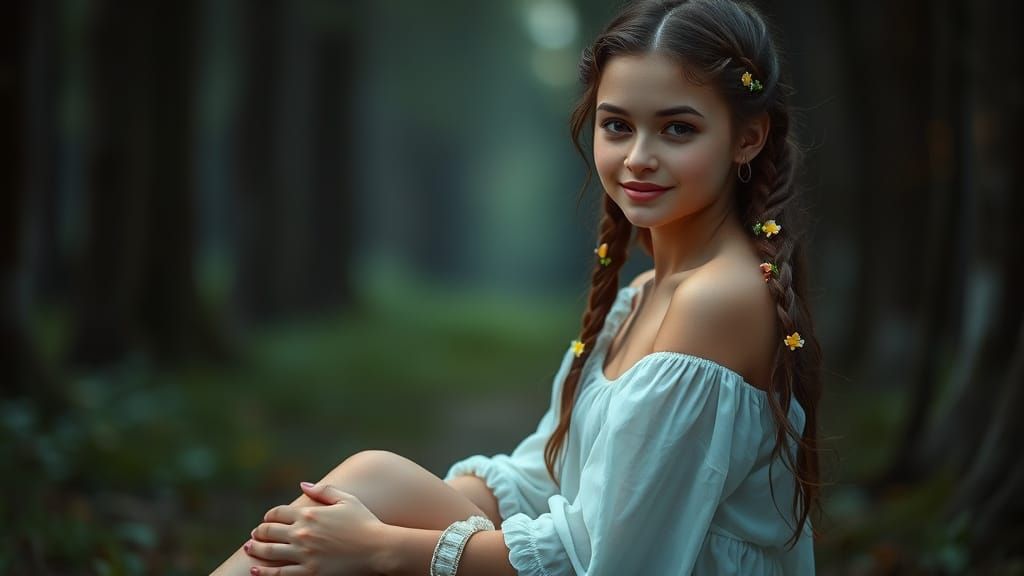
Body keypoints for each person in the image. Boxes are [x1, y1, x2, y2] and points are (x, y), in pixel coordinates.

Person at [211, 0, 823, 573]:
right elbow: (548, 476)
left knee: (359, 513)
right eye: (616, 126)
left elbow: (613, 559)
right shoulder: (645, 296)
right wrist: (398, 509)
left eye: (678, 129)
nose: (638, 157)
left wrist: (384, 546)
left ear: (748, 136)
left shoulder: (717, 300)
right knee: (369, 483)